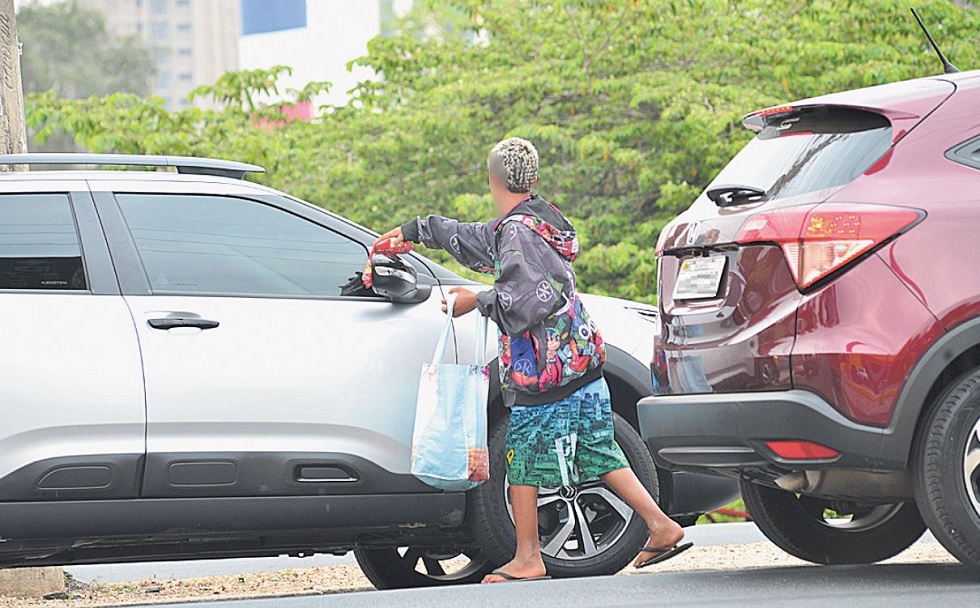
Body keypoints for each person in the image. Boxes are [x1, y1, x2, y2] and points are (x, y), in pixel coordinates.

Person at [376, 137, 691, 583]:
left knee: (521, 455)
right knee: (597, 449)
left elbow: (524, 302)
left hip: (547, 370)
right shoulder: (539, 221)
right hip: (581, 358)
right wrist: (417, 230)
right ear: (533, 179)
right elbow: (478, 238)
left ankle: (528, 558)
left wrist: (476, 300)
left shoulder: (519, 232)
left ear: (493, 180)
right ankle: (661, 526)